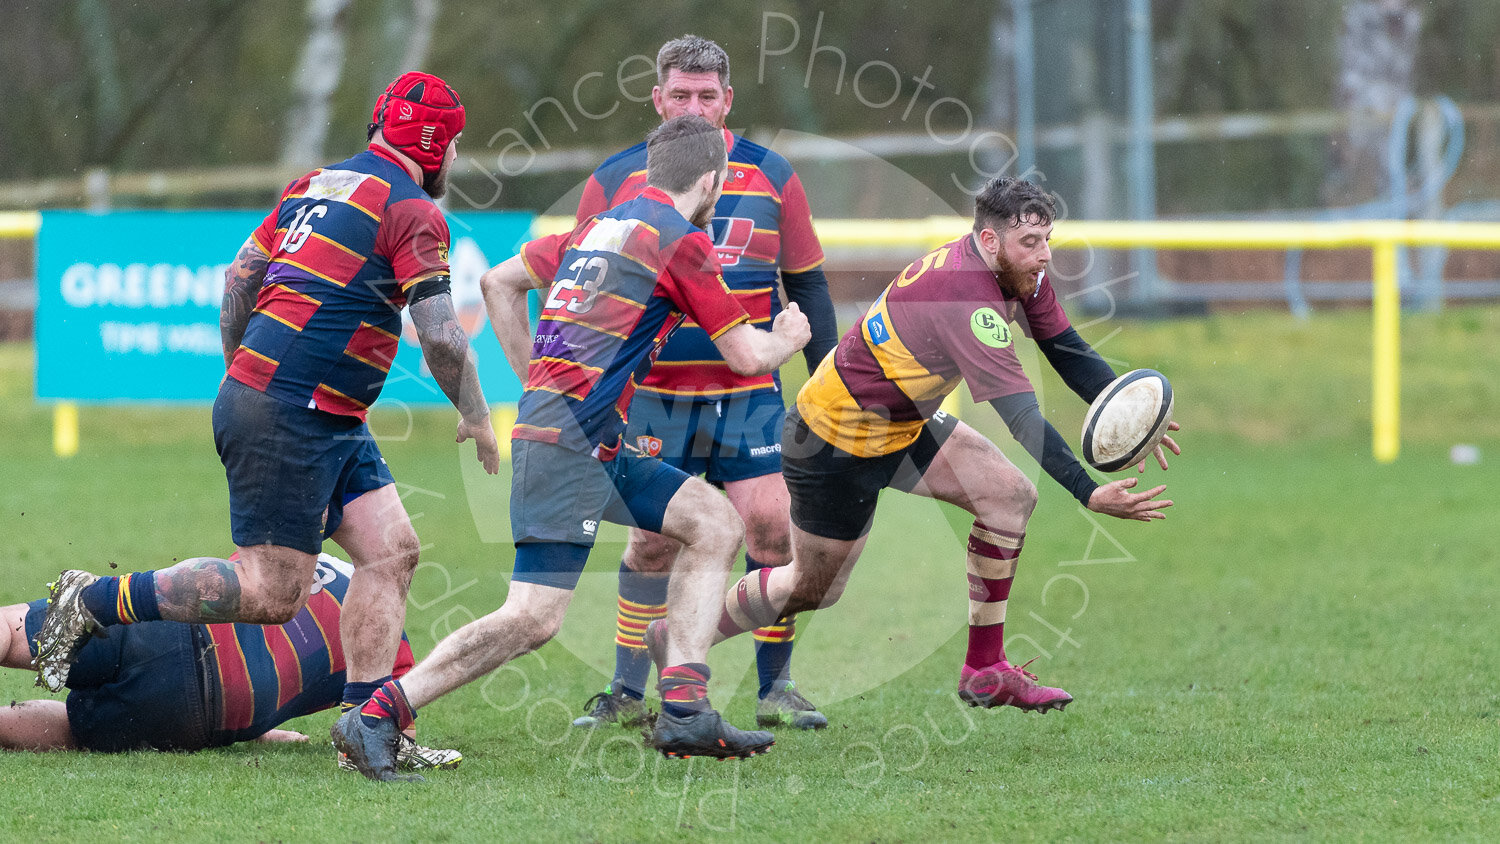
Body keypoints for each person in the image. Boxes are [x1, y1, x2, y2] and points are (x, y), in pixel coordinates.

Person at [330, 115, 811, 782]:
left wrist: (537, 382)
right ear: (711, 180)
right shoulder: (681, 241)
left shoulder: (600, 227)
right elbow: (748, 355)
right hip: (569, 446)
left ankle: (684, 705)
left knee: (712, 521)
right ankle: (378, 713)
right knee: (532, 618)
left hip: (588, 439)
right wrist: (789, 333)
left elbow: (499, 281)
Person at [33, 72, 500, 744]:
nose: (454, 159)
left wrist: (239, 366)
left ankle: (369, 727)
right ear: (434, 146)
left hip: (328, 416)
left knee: (391, 552)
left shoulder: (314, 185)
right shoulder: (413, 210)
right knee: (271, 593)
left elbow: (239, 278)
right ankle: (93, 598)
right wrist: (479, 415)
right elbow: (444, 337)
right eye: (454, 146)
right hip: (295, 414)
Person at [646, 176, 1181, 711]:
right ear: (990, 243)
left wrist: (1127, 411)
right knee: (812, 589)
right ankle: (679, 636)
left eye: (1047, 241)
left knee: (1009, 497)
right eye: (1030, 244)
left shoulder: (1018, 275)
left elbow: (1065, 348)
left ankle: (985, 669)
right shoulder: (964, 298)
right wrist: (1090, 494)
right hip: (833, 438)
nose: (1044, 257)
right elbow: (1021, 417)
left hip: (902, 422)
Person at [570, 34, 838, 733]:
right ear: (657, 100)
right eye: (680, 95)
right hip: (653, 397)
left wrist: (831, 391)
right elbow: (586, 284)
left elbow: (807, 284)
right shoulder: (616, 179)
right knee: (653, 544)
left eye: (707, 95)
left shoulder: (773, 174)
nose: (694, 105)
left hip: (750, 398)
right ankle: (628, 689)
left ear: (728, 101)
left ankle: (776, 686)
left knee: (774, 529)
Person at [4, 553, 460, 772]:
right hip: (206, 715)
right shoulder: (397, 658)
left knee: (15, 631)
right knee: (75, 731)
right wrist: (262, 727)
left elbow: (223, 582)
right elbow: (380, 740)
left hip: (168, 629)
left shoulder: (315, 557)